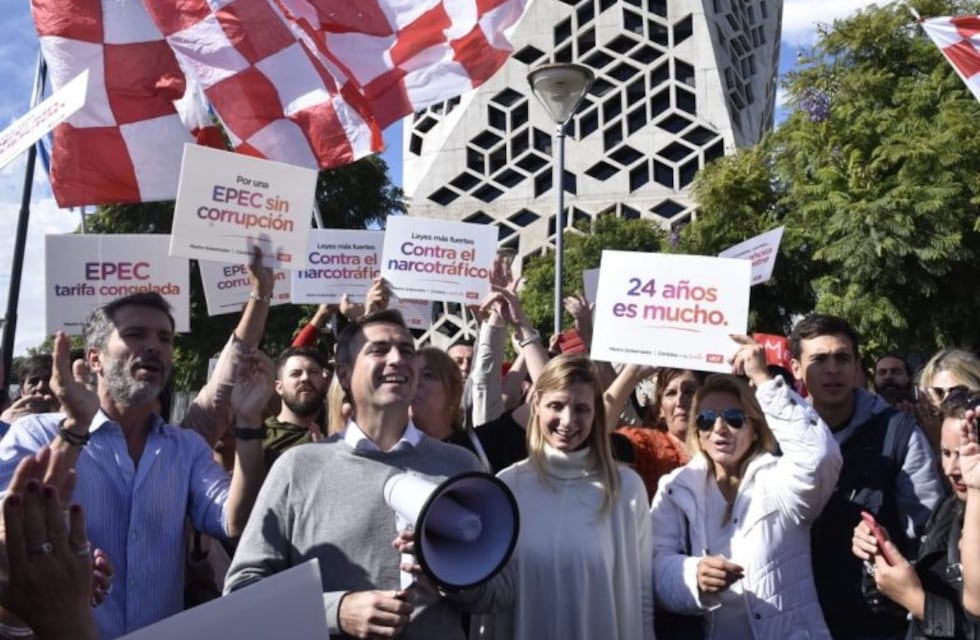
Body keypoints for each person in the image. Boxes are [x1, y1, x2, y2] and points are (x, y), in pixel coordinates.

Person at [0, 292, 270, 639]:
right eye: (135, 334)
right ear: (94, 358)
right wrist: (76, 430)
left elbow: (236, 521)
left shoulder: (186, 448)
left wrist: (248, 422)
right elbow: (7, 533)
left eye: (165, 338)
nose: (154, 346)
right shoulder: (36, 434)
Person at [224, 310, 507, 639]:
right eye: (379, 350)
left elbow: (501, 592)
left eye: (407, 350)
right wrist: (336, 611)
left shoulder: (461, 466)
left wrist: (451, 574)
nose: (397, 359)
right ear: (344, 374)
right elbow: (242, 591)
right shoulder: (298, 468)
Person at [651, 336, 841, 639]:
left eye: (734, 418)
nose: (719, 428)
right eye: (706, 419)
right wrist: (692, 576)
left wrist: (763, 380)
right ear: (697, 431)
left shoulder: (779, 479)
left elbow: (819, 458)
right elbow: (656, 567)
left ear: (754, 429)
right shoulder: (675, 488)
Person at [789, 314, 945, 639]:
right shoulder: (778, 435)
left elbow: (928, 534)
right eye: (819, 359)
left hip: (877, 623)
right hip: (794, 619)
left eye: (842, 358)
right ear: (796, 368)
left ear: (857, 367)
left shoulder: (900, 434)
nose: (832, 369)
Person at [487, 353, 653, 640]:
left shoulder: (625, 488)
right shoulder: (507, 487)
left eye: (581, 409)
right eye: (556, 405)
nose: (568, 420)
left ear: (595, 413)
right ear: (536, 404)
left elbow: (642, 592)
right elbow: (489, 600)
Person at [852, 389, 980, 639]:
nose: (954, 469)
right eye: (946, 453)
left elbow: (974, 624)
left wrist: (916, 600)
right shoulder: (947, 510)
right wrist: (884, 558)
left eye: (968, 454)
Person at [262, 346, 329, 468]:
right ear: (279, 387)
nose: (305, 378)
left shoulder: (339, 427)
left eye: (313, 372)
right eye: (295, 374)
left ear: (324, 382)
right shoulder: (262, 436)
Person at [411, 347, 464, 441]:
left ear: (453, 392)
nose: (416, 383)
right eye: (411, 376)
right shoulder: (389, 447)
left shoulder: (477, 445)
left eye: (427, 375)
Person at [0, 356, 57, 432]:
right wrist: (4, 426)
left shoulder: (70, 421)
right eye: (34, 381)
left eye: (48, 380)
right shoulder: (9, 421)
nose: (41, 386)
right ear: (22, 391)